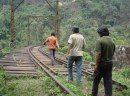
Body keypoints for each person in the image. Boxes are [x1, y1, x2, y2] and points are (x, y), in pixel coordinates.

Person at [91, 26, 115, 96]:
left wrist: (96, 65)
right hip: (110, 63)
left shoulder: (100, 40)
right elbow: (113, 52)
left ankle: (94, 94)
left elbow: (98, 53)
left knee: (96, 80)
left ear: (101, 33)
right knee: (108, 81)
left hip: (101, 63)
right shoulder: (112, 41)